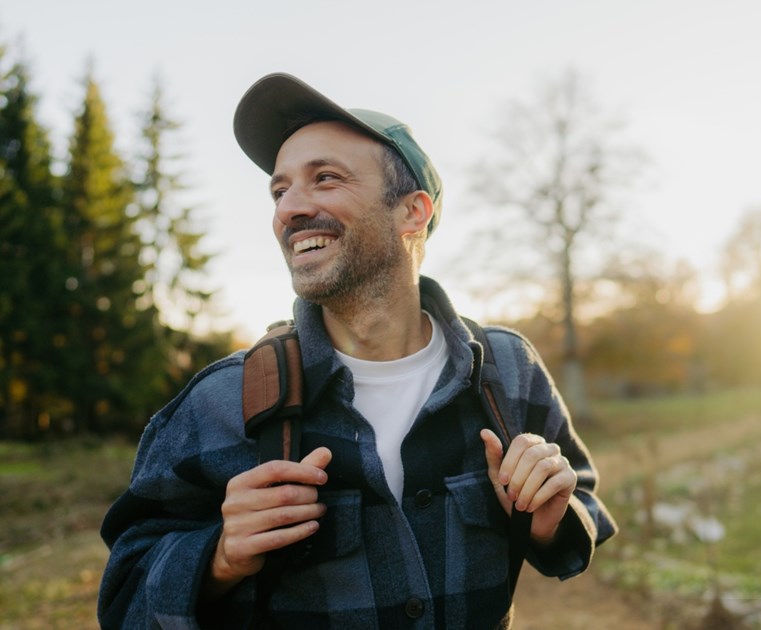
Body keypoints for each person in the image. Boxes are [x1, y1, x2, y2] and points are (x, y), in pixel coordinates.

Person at [98, 73, 616, 629]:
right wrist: (220, 557)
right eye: (279, 190)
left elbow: (581, 500)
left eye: (325, 178)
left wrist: (547, 519)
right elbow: (124, 594)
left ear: (412, 212)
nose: (289, 209)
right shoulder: (220, 402)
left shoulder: (508, 371)